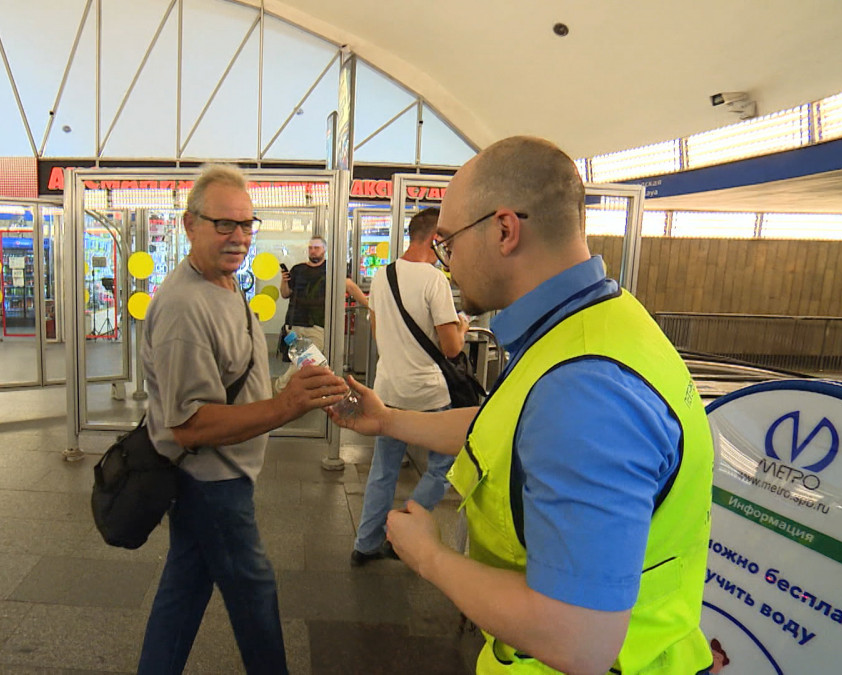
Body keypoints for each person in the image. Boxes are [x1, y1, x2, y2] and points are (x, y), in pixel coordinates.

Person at [330, 136, 714, 674]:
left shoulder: (585, 389)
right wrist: (391, 420)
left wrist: (430, 557)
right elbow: (511, 425)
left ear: (505, 230)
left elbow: (578, 640)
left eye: (450, 243)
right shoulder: (597, 324)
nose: (447, 263)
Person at [138, 164, 349, 675]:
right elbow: (188, 425)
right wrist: (285, 406)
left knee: (184, 589)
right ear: (190, 225)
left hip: (220, 476)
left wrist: (291, 388)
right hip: (210, 480)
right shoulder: (186, 308)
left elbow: (239, 374)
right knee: (253, 591)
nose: (239, 237)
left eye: (246, 224)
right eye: (223, 225)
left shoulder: (225, 285)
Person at [350, 207, 468, 566]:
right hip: (430, 394)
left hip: (389, 391)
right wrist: (461, 324)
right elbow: (451, 348)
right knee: (442, 467)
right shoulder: (435, 281)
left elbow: (376, 330)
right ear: (435, 240)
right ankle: (402, 526)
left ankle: (366, 543)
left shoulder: (382, 275)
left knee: (383, 470)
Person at [275, 236, 367, 391]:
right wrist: (284, 281)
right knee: (302, 361)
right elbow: (285, 294)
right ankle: (293, 390)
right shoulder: (297, 269)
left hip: (317, 324)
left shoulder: (331, 270)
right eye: (310, 247)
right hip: (294, 323)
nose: (313, 250)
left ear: (324, 250)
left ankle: (282, 386)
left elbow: (350, 286)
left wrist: (369, 305)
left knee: (308, 359)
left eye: (316, 247)